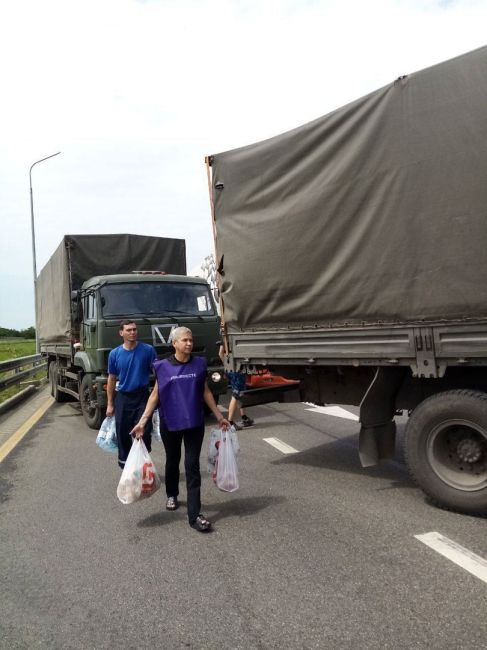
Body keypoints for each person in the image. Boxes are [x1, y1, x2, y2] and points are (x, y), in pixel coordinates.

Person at [132, 327, 229, 533]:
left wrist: (220, 416)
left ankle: (194, 515)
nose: (189, 344)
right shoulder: (162, 367)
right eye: (184, 340)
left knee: (192, 465)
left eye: (191, 340)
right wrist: (142, 422)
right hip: (171, 423)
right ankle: (172, 494)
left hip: (194, 423)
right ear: (174, 344)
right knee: (173, 460)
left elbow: (205, 391)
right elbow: (155, 395)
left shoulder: (199, 364)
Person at [106, 320, 157, 470]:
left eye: (134, 329)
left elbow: (158, 373)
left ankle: (142, 465)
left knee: (144, 431)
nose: (133, 332)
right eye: (129, 330)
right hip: (123, 397)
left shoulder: (148, 350)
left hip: (142, 397)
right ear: (121, 333)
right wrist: (110, 403)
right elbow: (111, 378)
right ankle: (126, 468)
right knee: (123, 432)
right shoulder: (114, 354)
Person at [219, 345, 254, 431]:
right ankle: (230, 422)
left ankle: (244, 417)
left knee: (240, 393)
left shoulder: (227, 341)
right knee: (236, 394)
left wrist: (225, 363)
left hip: (231, 369)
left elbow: (220, 352)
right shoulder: (235, 344)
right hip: (237, 370)